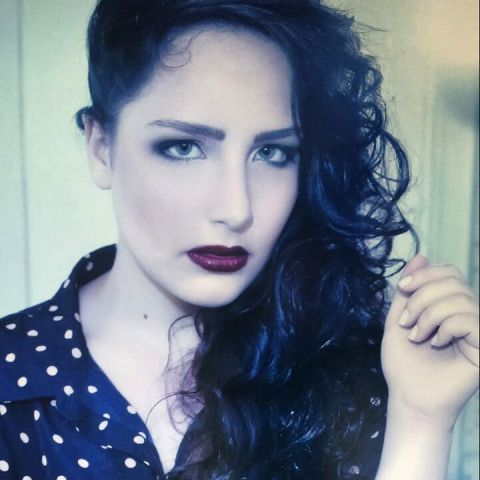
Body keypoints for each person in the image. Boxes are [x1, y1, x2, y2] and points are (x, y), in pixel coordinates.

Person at [0, 0, 478, 479]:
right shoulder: (10, 371)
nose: (236, 209)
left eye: (272, 153)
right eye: (184, 147)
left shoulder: (350, 363)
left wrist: (421, 420)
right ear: (101, 147)